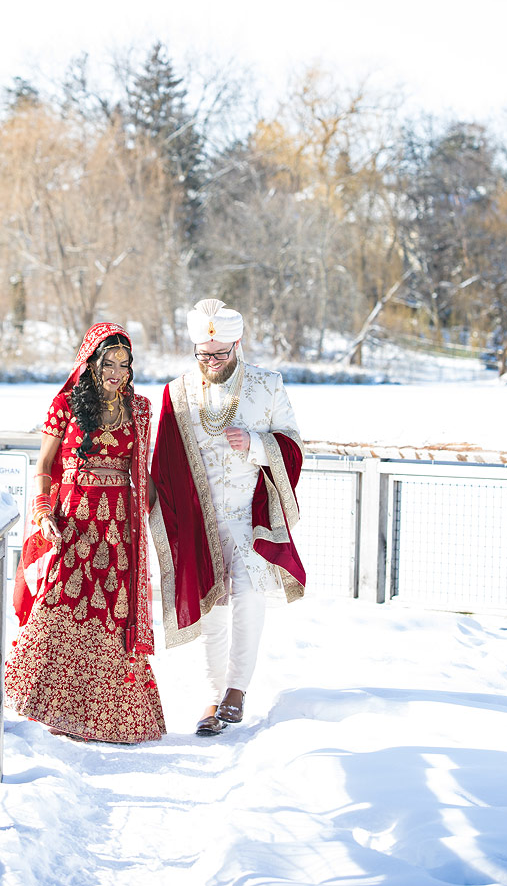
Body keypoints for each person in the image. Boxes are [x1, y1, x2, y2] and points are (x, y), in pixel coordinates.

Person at [149, 298, 305, 736]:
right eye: (203, 355)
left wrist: (256, 444)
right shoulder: (177, 392)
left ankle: (237, 689)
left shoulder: (267, 384)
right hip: (201, 516)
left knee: (251, 598)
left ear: (238, 344)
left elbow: (293, 443)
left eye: (219, 354)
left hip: (248, 514)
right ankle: (211, 696)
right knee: (211, 605)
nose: (211, 362)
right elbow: (164, 458)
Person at [5, 322, 165, 744]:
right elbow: (42, 466)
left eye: (125, 364)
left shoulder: (141, 409)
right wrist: (42, 514)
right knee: (59, 602)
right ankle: (55, 705)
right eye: (108, 362)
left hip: (117, 527)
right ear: (90, 362)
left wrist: (173, 523)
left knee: (114, 611)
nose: (117, 371)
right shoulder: (65, 405)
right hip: (73, 521)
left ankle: (108, 717)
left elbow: (143, 475)